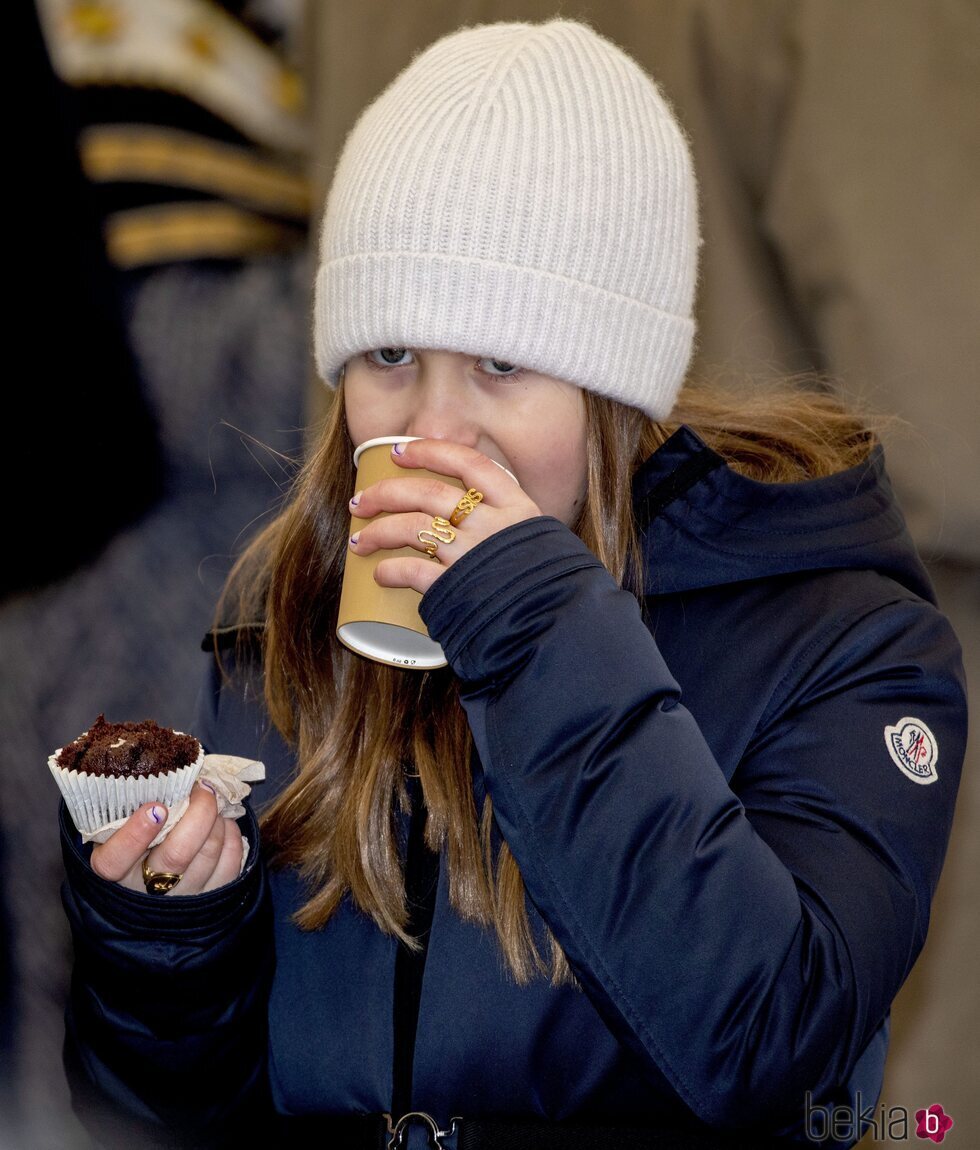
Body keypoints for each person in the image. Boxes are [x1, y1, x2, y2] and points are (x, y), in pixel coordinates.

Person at [57, 19, 967, 1150]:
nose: (433, 428)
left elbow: (763, 1051)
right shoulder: (289, 629)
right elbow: (163, 1117)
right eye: (389, 356)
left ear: (610, 389)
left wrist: (532, 623)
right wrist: (171, 944)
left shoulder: (847, 645)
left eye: (499, 363)